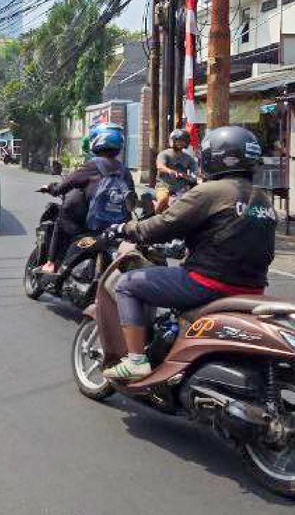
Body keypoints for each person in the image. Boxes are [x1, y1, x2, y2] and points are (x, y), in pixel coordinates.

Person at [102, 125, 279, 381]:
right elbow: (229, 234)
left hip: (208, 283)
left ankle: (136, 361)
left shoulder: (211, 191)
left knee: (128, 284)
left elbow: (161, 226)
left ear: (213, 158)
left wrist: (125, 228)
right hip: (251, 288)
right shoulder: (262, 198)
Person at [38, 125, 131, 275]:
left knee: (61, 220)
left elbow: (66, 184)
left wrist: (52, 188)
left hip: (90, 221)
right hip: (116, 225)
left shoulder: (93, 165)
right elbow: (130, 198)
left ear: (97, 142)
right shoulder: (124, 170)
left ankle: (51, 263)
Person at [154, 128, 198, 209]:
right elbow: (160, 166)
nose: (181, 143)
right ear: (173, 141)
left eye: (183, 141)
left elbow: (194, 170)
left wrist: (194, 176)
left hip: (181, 188)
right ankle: (158, 217)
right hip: (164, 186)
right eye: (178, 140)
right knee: (163, 199)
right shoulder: (164, 154)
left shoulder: (188, 158)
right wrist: (170, 171)